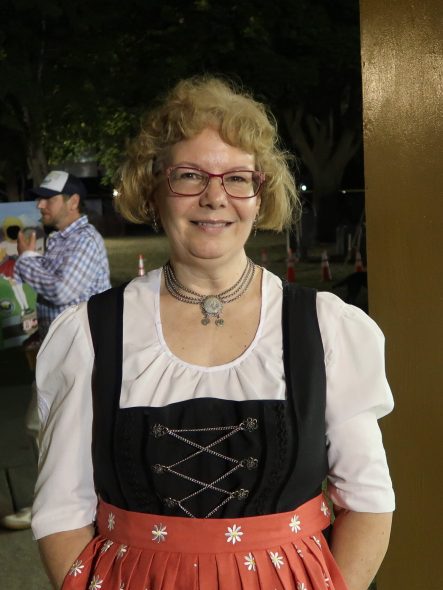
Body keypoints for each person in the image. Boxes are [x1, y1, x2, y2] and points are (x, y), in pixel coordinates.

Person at [32, 77, 394, 590]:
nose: (214, 198)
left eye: (238, 178)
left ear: (259, 193)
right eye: (189, 176)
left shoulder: (326, 329)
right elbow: (61, 513)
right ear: (153, 188)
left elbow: (369, 503)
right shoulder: (91, 334)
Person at [0, 170, 111, 531]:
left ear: (73, 202)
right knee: (52, 427)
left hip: (82, 350)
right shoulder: (60, 238)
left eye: (48, 198)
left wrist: (26, 261)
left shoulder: (85, 240)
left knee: (44, 425)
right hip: (59, 347)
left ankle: (58, 506)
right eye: (39, 198)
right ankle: (70, 503)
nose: (40, 205)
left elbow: (63, 290)